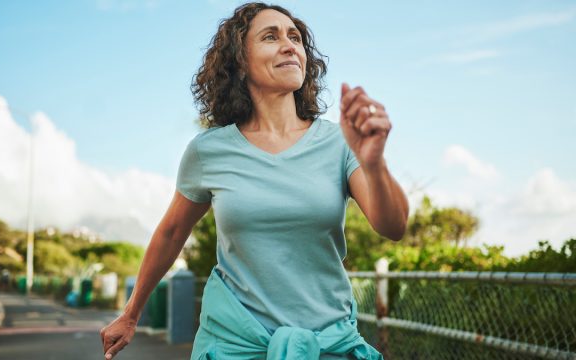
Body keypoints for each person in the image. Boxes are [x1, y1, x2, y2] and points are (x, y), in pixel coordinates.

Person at [100, 2, 409, 359]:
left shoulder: (340, 141)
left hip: (326, 345)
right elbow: (171, 233)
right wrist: (131, 313)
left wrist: (374, 164)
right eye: (270, 36)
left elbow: (393, 226)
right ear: (240, 61)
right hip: (234, 344)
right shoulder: (208, 151)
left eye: (294, 37)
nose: (289, 45)